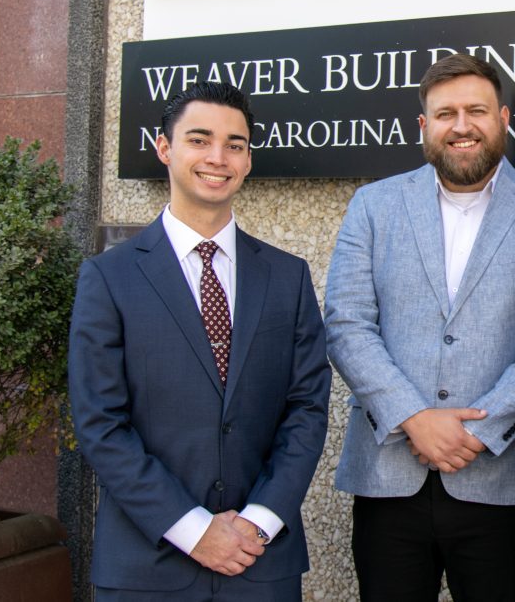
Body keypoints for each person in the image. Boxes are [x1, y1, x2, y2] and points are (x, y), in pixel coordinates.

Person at [324, 54, 515, 602]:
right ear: (424, 127)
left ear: (503, 119)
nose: (462, 125)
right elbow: (347, 322)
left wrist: (480, 429)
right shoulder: (373, 206)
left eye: (476, 110)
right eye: (445, 113)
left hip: (503, 478)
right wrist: (413, 417)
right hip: (389, 474)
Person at [69, 81, 331, 602]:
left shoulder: (288, 277)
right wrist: (193, 528)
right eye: (200, 139)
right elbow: (100, 421)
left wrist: (257, 522)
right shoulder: (109, 277)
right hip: (148, 564)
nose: (219, 157)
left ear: (249, 160)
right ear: (165, 149)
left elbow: (307, 408)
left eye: (235, 144)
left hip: (260, 563)